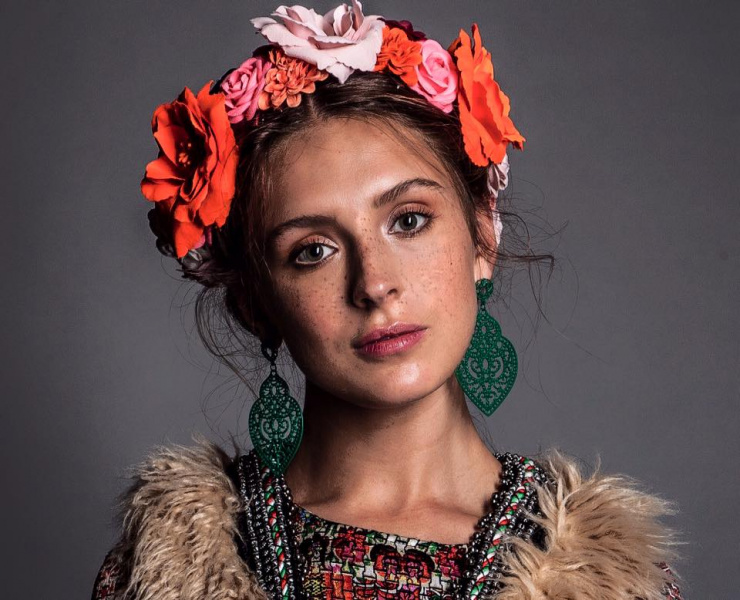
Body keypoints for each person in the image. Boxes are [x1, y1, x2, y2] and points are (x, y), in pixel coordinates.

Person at [91, 2, 684, 598]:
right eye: (313, 251)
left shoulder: (613, 581)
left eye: (409, 220)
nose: (374, 284)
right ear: (255, 304)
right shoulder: (165, 574)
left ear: (482, 238)